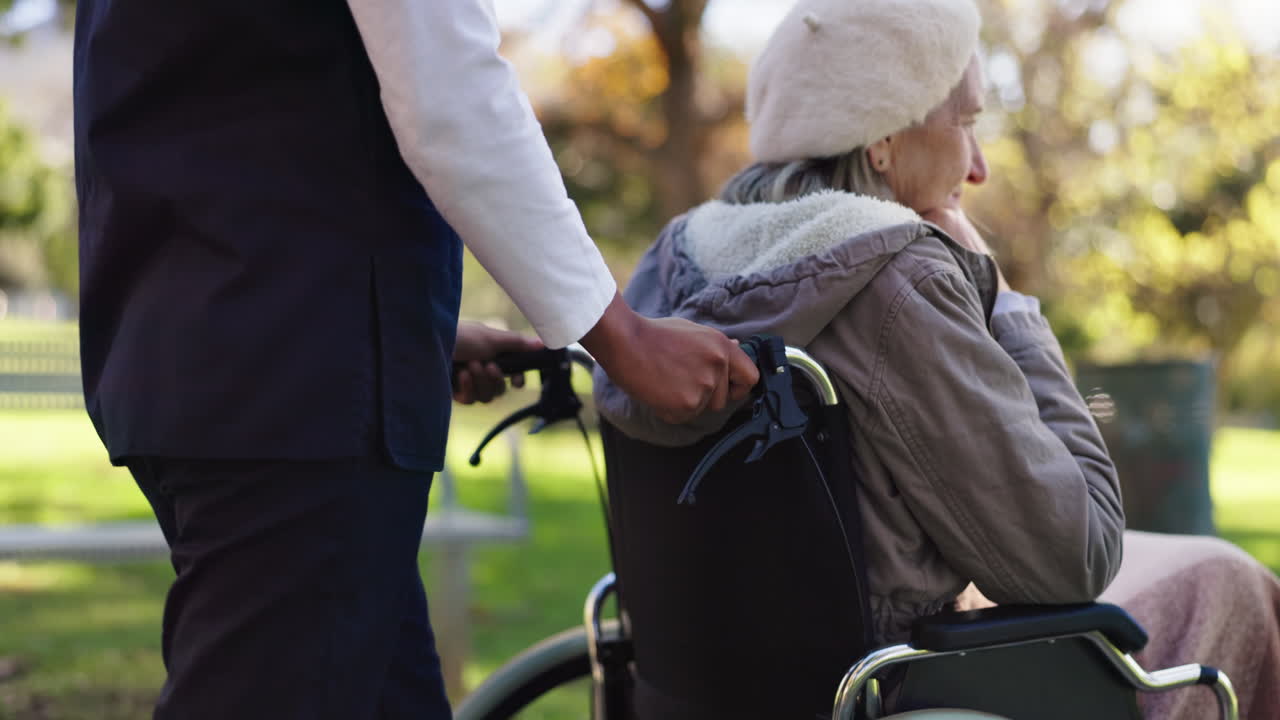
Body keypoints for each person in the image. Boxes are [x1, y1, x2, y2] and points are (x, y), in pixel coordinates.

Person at [72, 1, 759, 718]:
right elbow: (450, 94)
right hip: (300, 395)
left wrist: (405, 322)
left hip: (203, 357)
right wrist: (624, 337)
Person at [595, 0, 1280, 717]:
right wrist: (1007, 302)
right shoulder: (897, 280)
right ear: (884, 140)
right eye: (968, 123)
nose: (978, 168)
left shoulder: (672, 264)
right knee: (1225, 578)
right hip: (909, 683)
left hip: (710, 685)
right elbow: (1076, 556)